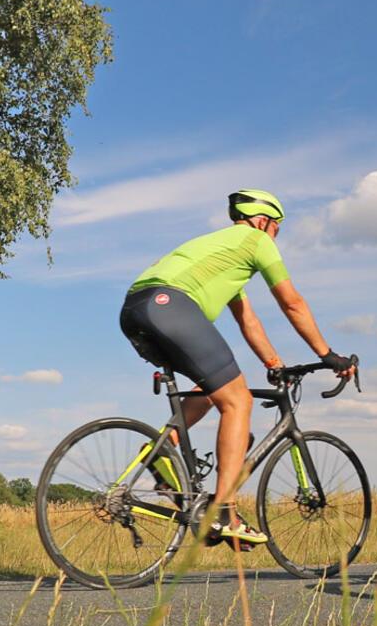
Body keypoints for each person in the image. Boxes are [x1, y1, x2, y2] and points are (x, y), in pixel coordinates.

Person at [119, 189, 356, 548]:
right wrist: (328, 354)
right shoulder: (255, 240)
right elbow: (292, 303)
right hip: (172, 307)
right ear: (263, 222)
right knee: (239, 402)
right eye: (276, 230)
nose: (275, 238)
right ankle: (225, 511)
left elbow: (249, 322)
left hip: (137, 309)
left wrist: (275, 364)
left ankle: (162, 451)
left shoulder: (222, 252)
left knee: (214, 386)